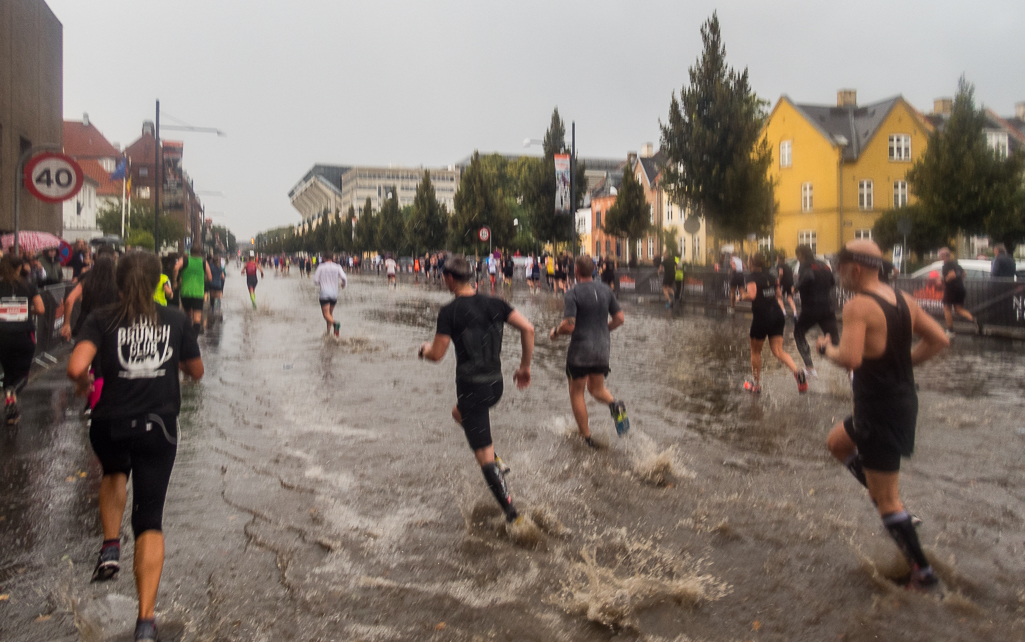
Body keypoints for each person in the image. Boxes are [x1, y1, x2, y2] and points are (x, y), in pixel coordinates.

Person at [67, 251, 203, 642]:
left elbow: (77, 367)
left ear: (120, 282)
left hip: (109, 422)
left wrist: (84, 385)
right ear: (160, 279)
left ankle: (110, 546)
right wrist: (173, 363)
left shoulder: (101, 318)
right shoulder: (175, 318)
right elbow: (197, 370)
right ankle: (145, 622)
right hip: (158, 426)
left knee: (113, 473)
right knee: (150, 519)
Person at [818, 240, 949, 591]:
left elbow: (850, 359)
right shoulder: (903, 299)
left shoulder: (858, 306)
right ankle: (893, 505)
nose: (838, 274)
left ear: (855, 269)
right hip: (899, 403)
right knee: (836, 443)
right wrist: (905, 363)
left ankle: (922, 574)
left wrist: (825, 349)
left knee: (888, 501)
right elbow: (939, 339)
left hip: (878, 410)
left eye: (840, 267)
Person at [418, 256, 534, 523]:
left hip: (473, 389)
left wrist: (423, 351)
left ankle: (514, 516)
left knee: (482, 456)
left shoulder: (450, 312)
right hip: (496, 384)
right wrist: (524, 367)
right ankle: (496, 459)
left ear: (448, 278)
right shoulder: (495, 303)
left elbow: (437, 354)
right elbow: (528, 328)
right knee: (458, 414)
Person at [550, 255, 629, 446]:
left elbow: (569, 325)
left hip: (580, 351)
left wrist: (555, 332)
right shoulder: (606, 290)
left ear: (576, 271)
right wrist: (604, 330)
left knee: (577, 392)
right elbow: (619, 318)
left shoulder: (572, 293)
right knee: (597, 388)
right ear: (593, 270)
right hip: (602, 348)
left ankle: (587, 437)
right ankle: (614, 405)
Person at [741, 253, 807, 394]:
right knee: (778, 351)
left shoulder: (751, 277)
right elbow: (778, 294)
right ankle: (797, 372)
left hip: (762, 316)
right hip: (777, 314)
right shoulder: (771, 276)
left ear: (752, 263)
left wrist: (741, 295)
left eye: (748, 260)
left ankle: (756, 385)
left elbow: (751, 295)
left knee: (755, 352)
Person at [0, 255, 46, 424]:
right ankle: (12, 392)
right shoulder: (28, 286)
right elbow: (40, 309)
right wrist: (26, 311)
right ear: (19, 268)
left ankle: (12, 415)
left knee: (9, 373)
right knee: (22, 375)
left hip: (3, 335)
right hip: (24, 335)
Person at [793, 244, 839, 377]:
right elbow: (832, 282)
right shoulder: (823, 264)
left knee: (798, 333)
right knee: (835, 340)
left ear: (800, 255)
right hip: (828, 308)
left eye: (797, 256)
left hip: (811, 309)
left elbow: (808, 277)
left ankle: (810, 368)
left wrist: (796, 287)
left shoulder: (804, 265)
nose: (798, 259)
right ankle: (851, 372)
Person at [937, 247, 978, 337]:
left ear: (944, 256)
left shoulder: (947, 265)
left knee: (947, 308)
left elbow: (952, 275)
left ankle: (950, 331)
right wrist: (959, 281)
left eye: (940, 255)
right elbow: (964, 273)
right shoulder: (956, 264)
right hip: (960, 288)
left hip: (951, 289)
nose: (939, 256)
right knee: (958, 309)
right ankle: (973, 320)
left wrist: (942, 280)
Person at [174, 247, 212, 334]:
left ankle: (187, 335)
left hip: (185, 292)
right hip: (198, 293)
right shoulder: (203, 262)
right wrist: (203, 279)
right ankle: (193, 339)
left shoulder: (185, 260)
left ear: (190, 252)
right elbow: (210, 278)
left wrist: (175, 281)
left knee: (187, 316)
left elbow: (176, 268)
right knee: (197, 319)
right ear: (200, 252)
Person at [313, 254, 347, 336]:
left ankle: (335, 324)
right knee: (330, 314)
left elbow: (315, 280)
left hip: (324, 293)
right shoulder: (338, 267)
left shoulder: (321, 267)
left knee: (326, 314)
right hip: (334, 293)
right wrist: (343, 284)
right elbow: (344, 278)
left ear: (324, 258)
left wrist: (322, 281)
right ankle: (329, 333)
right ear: (333, 258)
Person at [776, 250, 798, 318]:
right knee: (790, 298)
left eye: (777, 258)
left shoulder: (780, 265)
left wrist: (778, 281)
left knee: (779, 297)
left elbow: (781, 273)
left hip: (783, 283)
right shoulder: (788, 266)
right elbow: (792, 274)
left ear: (779, 259)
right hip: (790, 283)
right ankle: (795, 313)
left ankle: (784, 312)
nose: (776, 259)